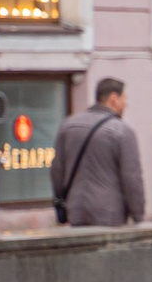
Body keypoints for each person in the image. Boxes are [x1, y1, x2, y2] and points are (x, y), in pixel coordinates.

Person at [50, 78, 146, 226]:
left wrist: (61, 199)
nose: (126, 104)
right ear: (114, 98)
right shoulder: (122, 131)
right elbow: (132, 177)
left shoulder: (68, 125)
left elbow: (57, 169)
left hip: (75, 209)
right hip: (110, 213)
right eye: (124, 98)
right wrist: (138, 216)